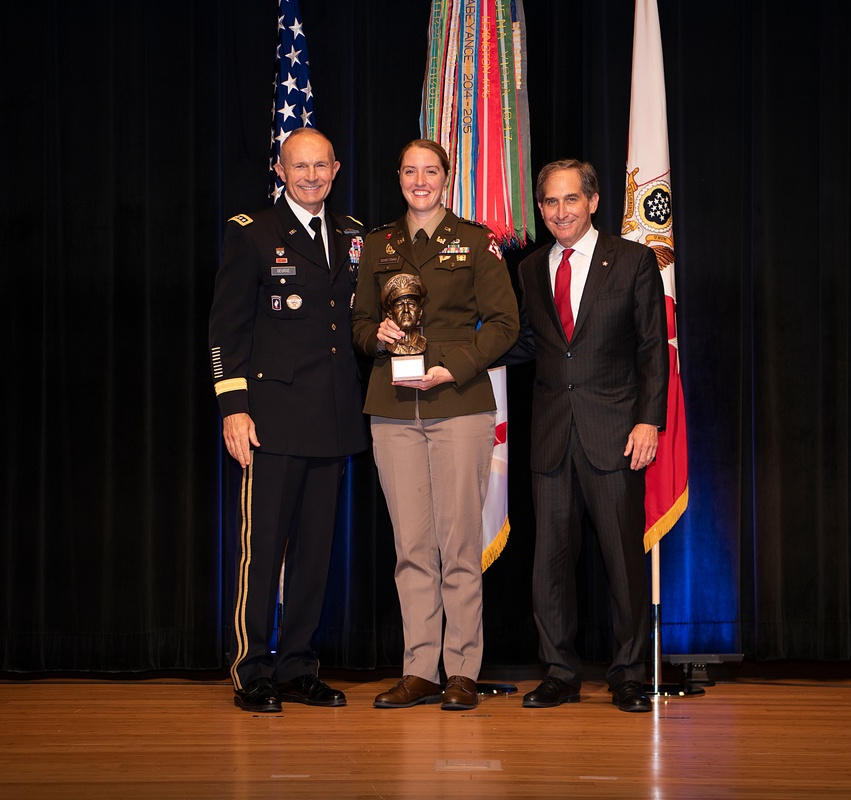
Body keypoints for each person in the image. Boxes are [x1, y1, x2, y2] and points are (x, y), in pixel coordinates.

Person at [352, 139, 519, 711]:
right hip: (393, 409)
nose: (419, 181)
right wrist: (374, 334)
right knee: (412, 547)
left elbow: (504, 323)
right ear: (398, 177)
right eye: (409, 171)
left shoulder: (476, 241)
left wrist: (456, 366)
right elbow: (358, 322)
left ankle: (462, 671)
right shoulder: (378, 243)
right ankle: (420, 669)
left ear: (446, 178)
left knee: (458, 543)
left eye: (430, 171)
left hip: (459, 405)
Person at [208, 127, 367, 713]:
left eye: (320, 166)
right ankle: (252, 668)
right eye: (299, 166)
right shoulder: (251, 234)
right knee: (264, 547)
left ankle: (299, 665)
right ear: (280, 169)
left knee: (315, 554)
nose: (310, 176)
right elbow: (226, 331)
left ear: (336, 167)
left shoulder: (353, 236)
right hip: (270, 421)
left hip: (332, 418)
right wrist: (233, 406)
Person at [505, 159, 668, 712]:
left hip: (616, 432)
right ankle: (559, 672)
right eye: (549, 202)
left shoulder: (634, 260)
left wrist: (649, 420)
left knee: (622, 560)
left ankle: (627, 674)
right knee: (549, 561)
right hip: (551, 434)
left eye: (570, 200)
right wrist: (461, 353)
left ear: (593, 201)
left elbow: (652, 348)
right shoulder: (529, 269)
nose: (559, 212)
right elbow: (528, 343)